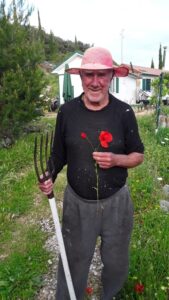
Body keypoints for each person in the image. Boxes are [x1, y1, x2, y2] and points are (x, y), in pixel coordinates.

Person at [39, 46, 144, 300]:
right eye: (89, 75)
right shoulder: (67, 112)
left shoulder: (124, 113)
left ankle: (111, 295)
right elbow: (58, 155)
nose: (95, 82)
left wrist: (117, 159)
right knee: (73, 259)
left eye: (102, 75)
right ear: (81, 77)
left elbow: (137, 155)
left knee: (116, 261)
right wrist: (49, 174)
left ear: (111, 77)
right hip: (77, 203)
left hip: (117, 203)